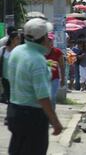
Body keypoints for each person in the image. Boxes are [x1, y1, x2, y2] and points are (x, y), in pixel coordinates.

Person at [7, 18, 63, 155]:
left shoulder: (17, 51)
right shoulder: (37, 60)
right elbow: (42, 96)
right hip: (32, 116)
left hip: (14, 110)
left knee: (17, 150)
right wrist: (55, 121)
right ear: (43, 38)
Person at [1, 30, 22, 105]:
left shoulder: (20, 51)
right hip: (5, 78)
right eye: (17, 38)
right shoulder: (3, 50)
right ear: (12, 39)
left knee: (14, 98)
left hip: (16, 78)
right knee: (9, 97)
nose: (19, 40)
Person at [45, 33, 66, 109]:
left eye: (51, 40)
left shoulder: (57, 52)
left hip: (54, 78)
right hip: (43, 78)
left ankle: (52, 113)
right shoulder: (41, 51)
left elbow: (62, 66)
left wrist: (63, 79)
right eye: (48, 40)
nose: (49, 42)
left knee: (52, 97)